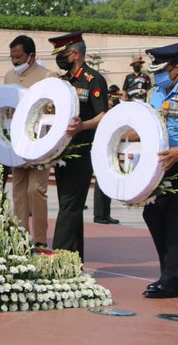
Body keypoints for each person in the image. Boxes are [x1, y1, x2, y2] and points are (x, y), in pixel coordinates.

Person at [141, 41, 178, 299]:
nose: (157, 74)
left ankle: (171, 281)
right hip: (161, 162)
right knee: (152, 214)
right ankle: (176, 271)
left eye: (161, 69)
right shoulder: (155, 93)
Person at [49, 31, 109, 261]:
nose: (60, 58)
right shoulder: (63, 82)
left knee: (70, 206)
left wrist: (83, 125)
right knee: (68, 204)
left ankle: (58, 258)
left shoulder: (93, 80)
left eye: (63, 54)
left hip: (82, 149)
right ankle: (73, 258)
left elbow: (103, 114)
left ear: (75, 54)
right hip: (63, 149)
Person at [4, 35, 55, 247]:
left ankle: (40, 239)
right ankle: (20, 237)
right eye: (12, 57)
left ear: (32, 56)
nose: (15, 61)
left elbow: (53, 111)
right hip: (16, 142)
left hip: (39, 142)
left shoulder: (48, 76)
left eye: (19, 56)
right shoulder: (9, 76)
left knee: (36, 189)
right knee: (18, 190)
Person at [92, 84, 121, 225]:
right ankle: (99, 214)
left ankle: (105, 213)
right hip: (100, 148)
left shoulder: (113, 112)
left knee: (108, 180)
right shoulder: (100, 112)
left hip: (110, 148)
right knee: (101, 181)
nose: (111, 102)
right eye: (109, 98)